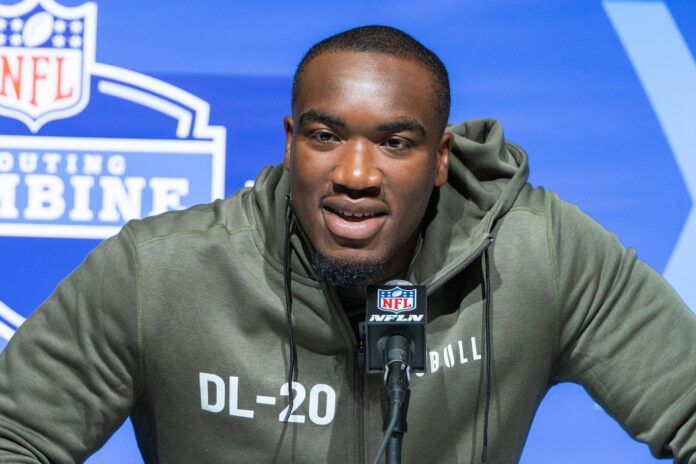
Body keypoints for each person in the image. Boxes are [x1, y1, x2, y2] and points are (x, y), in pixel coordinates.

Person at [1, 25, 695, 464]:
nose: (356, 175)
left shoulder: (539, 253)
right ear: (290, 142)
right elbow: (17, 436)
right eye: (326, 136)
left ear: (442, 156)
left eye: (395, 143)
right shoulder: (161, 270)